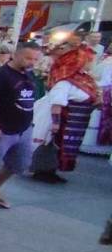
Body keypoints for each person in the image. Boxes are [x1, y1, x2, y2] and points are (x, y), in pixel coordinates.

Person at [0, 42, 42, 215]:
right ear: (15, 55)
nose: (31, 62)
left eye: (35, 59)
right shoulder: (0, 74)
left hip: (24, 128)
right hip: (2, 128)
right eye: (28, 58)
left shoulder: (29, 74)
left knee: (20, 163)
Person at [32, 41, 100, 183]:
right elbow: (57, 102)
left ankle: (52, 170)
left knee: (65, 147)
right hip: (64, 120)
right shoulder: (65, 81)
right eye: (89, 61)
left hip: (76, 122)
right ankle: (43, 170)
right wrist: (56, 123)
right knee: (54, 144)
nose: (91, 64)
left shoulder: (84, 79)